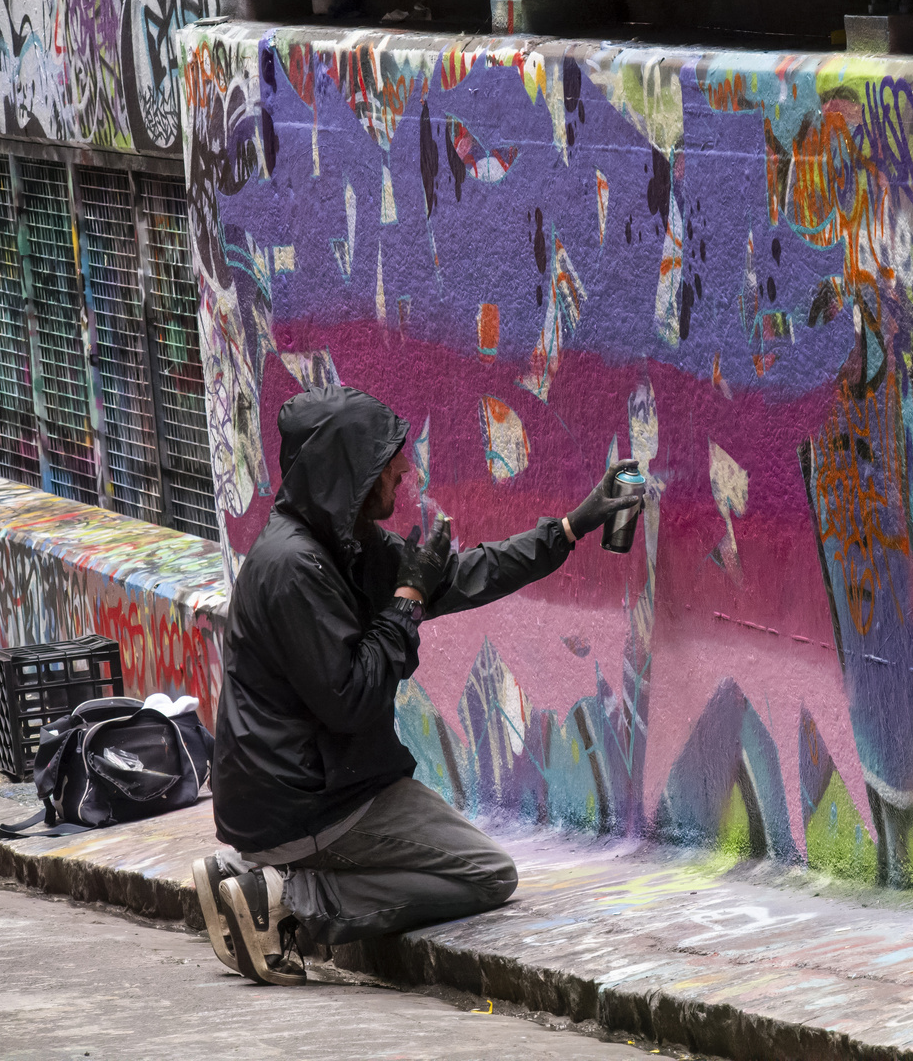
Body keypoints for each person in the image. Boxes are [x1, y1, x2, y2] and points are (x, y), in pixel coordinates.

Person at [191, 384, 638, 985]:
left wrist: (569, 527)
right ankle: (287, 904)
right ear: (350, 470)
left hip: (307, 788)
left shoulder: (339, 545)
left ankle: (253, 880)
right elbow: (351, 698)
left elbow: (461, 576)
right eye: (388, 462)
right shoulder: (294, 567)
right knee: (486, 875)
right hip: (307, 801)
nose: (405, 471)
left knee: (463, 860)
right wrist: (405, 603)